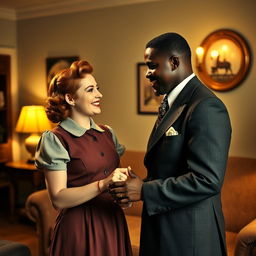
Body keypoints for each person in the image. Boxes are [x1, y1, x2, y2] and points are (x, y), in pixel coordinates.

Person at [109, 32, 232, 256]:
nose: (147, 73)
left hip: (189, 236)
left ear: (174, 62)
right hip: (163, 229)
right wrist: (134, 185)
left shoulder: (206, 106)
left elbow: (207, 180)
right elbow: (169, 169)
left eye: (152, 66)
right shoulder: (171, 102)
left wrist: (144, 190)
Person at [35, 60, 133, 256]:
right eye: (90, 90)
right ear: (71, 98)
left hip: (113, 222)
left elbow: (116, 182)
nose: (99, 95)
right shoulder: (55, 139)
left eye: (97, 88)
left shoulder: (108, 133)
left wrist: (125, 193)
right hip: (79, 229)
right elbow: (58, 198)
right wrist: (103, 184)